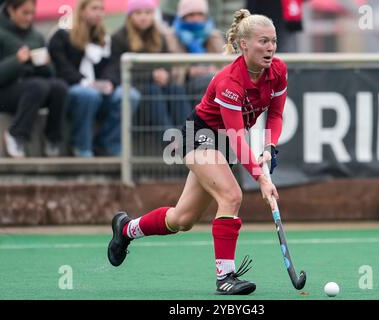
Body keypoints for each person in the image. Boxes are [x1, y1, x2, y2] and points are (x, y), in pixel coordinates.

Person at [108, 9, 288, 295]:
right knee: (231, 195)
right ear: (244, 45)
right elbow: (236, 135)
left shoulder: (277, 70)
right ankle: (225, 277)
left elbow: (276, 115)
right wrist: (261, 178)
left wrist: (270, 146)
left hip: (224, 143)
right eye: (262, 41)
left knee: (182, 220)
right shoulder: (229, 81)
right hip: (199, 136)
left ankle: (127, 229)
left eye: (273, 41)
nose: (270, 48)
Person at [48, 0, 140, 157]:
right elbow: (62, 69)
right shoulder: (62, 35)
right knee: (88, 94)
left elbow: (114, 66)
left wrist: (108, 83)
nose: (99, 13)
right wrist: (87, 83)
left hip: (101, 91)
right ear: (82, 11)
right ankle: (80, 146)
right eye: (94, 8)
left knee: (130, 95)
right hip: (73, 90)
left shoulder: (107, 39)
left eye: (102, 9)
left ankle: (108, 143)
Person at [0, 0, 68, 158]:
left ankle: (52, 138)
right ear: (11, 10)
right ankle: (16, 135)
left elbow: (50, 74)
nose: (29, 18)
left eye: (32, 13)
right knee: (37, 86)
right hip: (1, 93)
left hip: (32, 89)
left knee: (60, 87)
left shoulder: (37, 36)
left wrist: (45, 64)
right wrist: (16, 61)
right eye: (24, 13)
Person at [102, 0, 191, 130]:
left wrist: (165, 74)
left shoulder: (159, 36)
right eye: (138, 13)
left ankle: (190, 134)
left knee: (175, 89)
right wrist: (152, 75)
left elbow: (167, 62)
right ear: (130, 16)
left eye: (148, 13)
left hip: (158, 83)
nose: (143, 17)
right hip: (135, 85)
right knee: (152, 90)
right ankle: (170, 140)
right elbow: (118, 69)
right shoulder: (119, 37)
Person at [164, 0, 224, 107]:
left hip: (210, 83)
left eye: (200, 14)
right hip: (182, 86)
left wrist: (213, 70)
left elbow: (225, 65)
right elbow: (171, 67)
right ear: (183, 16)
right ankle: (195, 123)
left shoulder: (214, 36)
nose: (196, 19)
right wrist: (189, 71)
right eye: (191, 15)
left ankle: (199, 123)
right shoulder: (170, 36)